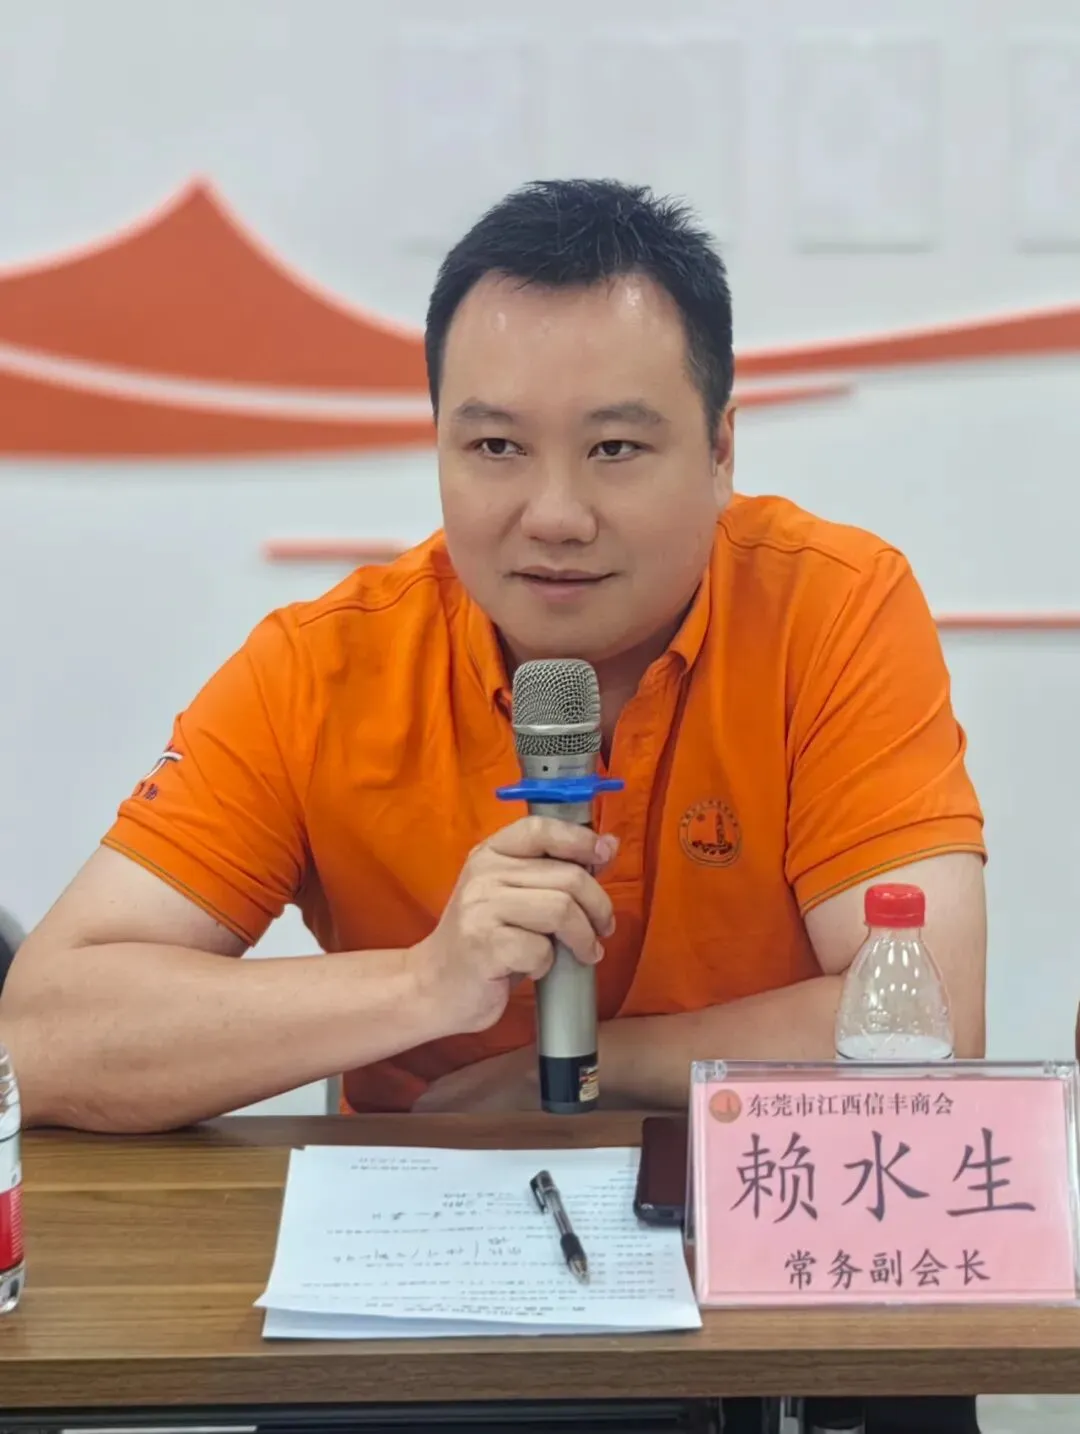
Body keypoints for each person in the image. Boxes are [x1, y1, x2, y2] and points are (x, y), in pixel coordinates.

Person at [0, 179, 986, 1133]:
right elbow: (42, 1037)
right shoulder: (325, 668)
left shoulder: (831, 606)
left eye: (614, 449)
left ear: (722, 451)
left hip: (752, 1202)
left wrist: (591, 1068)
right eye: (497, 449)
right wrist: (422, 984)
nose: (555, 516)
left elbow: (924, 1027)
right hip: (422, 1220)